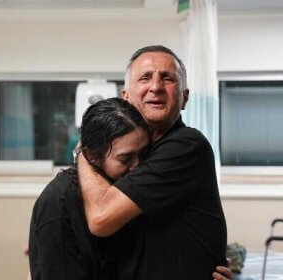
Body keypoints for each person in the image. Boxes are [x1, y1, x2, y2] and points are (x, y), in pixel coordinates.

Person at [77, 45, 230, 280]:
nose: (156, 87)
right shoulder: (135, 155)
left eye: (167, 78)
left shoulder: (186, 146)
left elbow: (101, 218)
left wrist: (82, 153)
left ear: (184, 98)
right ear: (125, 97)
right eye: (145, 78)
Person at [28, 98, 150, 280]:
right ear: (92, 156)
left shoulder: (123, 189)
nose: (138, 166)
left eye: (144, 154)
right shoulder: (59, 201)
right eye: (125, 159)